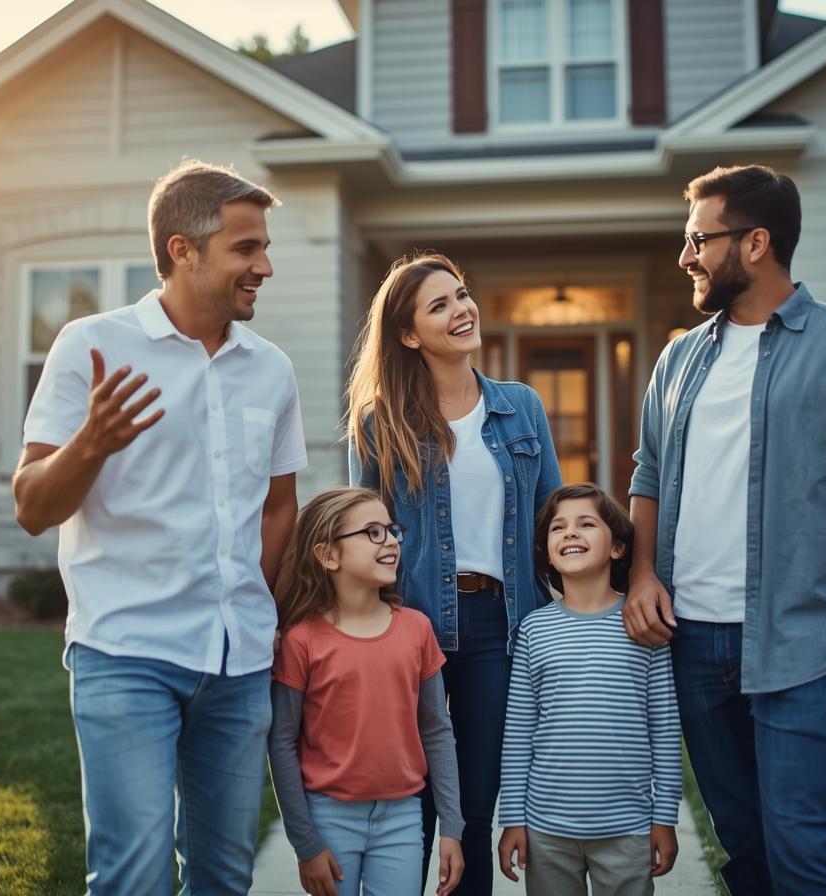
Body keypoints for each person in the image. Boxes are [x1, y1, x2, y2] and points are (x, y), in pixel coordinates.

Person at [624, 164, 826, 894]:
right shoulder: (678, 358)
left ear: (756, 242)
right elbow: (648, 476)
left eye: (699, 239)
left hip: (800, 644)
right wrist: (641, 574)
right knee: (746, 853)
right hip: (693, 642)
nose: (686, 256)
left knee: (804, 858)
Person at [13, 160, 305, 895]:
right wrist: (91, 444)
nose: (263, 266)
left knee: (223, 876)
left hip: (238, 665)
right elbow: (32, 506)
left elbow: (278, 506)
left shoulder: (271, 370)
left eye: (264, 248)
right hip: (127, 653)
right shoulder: (91, 346)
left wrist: (260, 605)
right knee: (133, 875)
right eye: (246, 249)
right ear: (183, 250)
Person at [346, 253, 562, 894]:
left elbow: (551, 518)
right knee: (406, 799)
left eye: (461, 295)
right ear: (409, 334)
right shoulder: (380, 422)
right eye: (438, 305)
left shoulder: (520, 407)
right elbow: (368, 533)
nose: (461, 310)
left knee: (471, 801)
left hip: (500, 625)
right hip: (409, 625)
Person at [268, 487, 465, 896]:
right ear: (328, 555)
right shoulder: (302, 641)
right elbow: (282, 742)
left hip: (403, 817)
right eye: (372, 533)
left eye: (392, 530)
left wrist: (452, 827)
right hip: (328, 817)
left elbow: (437, 730)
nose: (391, 541)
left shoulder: (417, 629)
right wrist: (306, 844)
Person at [498, 483, 681, 896]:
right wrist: (513, 819)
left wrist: (664, 818)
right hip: (546, 830)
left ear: (617, 547)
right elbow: (518, 734)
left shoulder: (641, 624)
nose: (570, 534)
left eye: (586, 524)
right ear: (546, 550)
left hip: (627, 828)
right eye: (558, 528)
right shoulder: (534, 630)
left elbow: (665, 729)